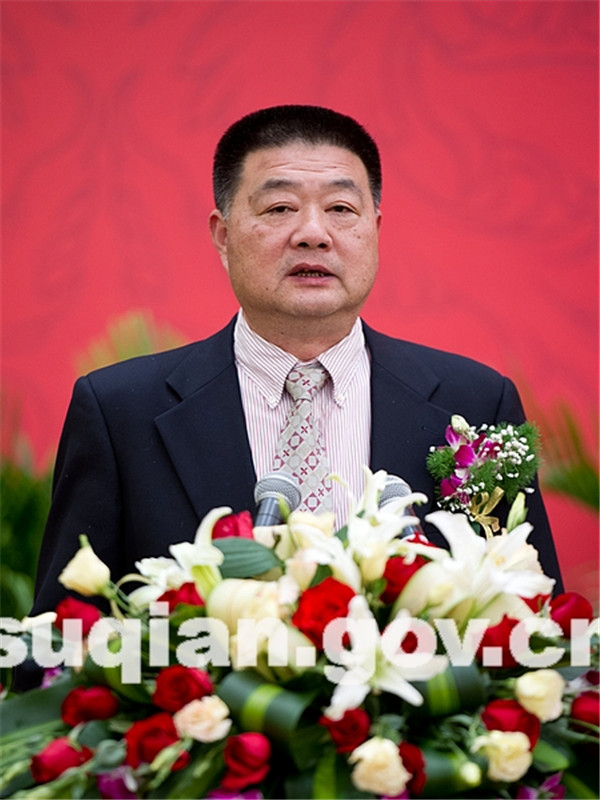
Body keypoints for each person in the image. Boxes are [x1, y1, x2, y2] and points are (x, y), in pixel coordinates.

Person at [31, 104, 563, 615]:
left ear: (375, 230)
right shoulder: (120, 412)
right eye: (280, 208)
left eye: (341, 209)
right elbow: (64, 637)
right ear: (223, 235)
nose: (313, 233)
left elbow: (537, 622)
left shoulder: (474, 403)